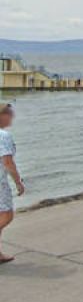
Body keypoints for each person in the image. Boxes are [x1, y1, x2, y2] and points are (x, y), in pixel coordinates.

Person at [0, 103, 23, 263]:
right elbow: (8, 162)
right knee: (7, 215)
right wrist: (18, 182)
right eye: (9, 113)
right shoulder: (3, 136)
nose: (12, 116)